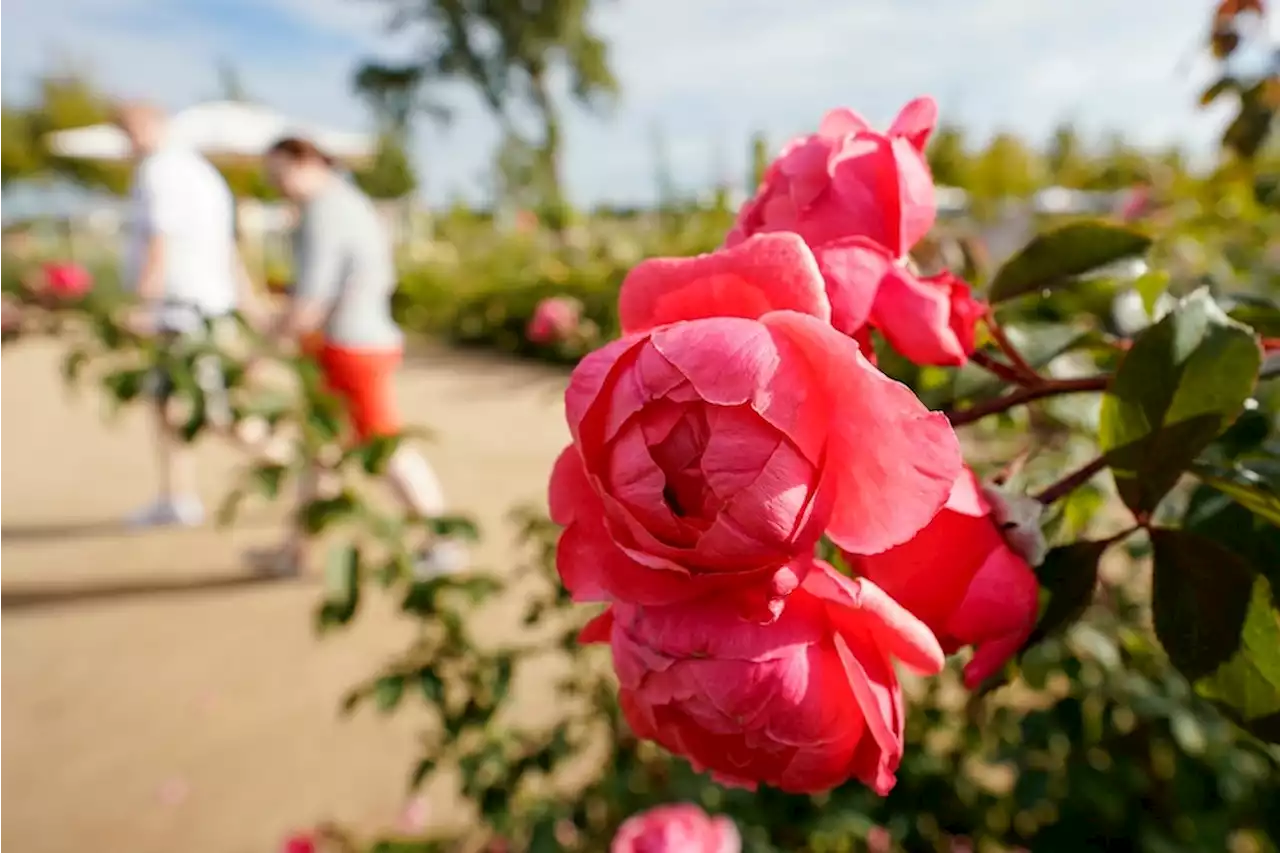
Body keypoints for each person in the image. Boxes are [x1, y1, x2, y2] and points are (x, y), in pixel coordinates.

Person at [251, 136, 466, 576]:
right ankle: (296, 550)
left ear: (307, 161)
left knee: (383, 447)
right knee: (321, 452)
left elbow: (311, 299)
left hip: (350, 347)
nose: (277, 186)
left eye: (279, 174)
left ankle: (442, 541)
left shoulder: (324, 212)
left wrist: (263, 348)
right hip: (357, 341)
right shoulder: (345, 204)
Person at [115, 101, 260, 528]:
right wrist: (249, 301)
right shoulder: (199, 172)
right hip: (195, 309)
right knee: (165, 404)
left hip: (182, 312)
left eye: (133, 129)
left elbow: (162, 238)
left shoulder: (161, 171)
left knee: (214, 412)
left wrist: (142, 304)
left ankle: (306, 464)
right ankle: (176, 496)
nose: (130, 140)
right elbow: (228, 248)